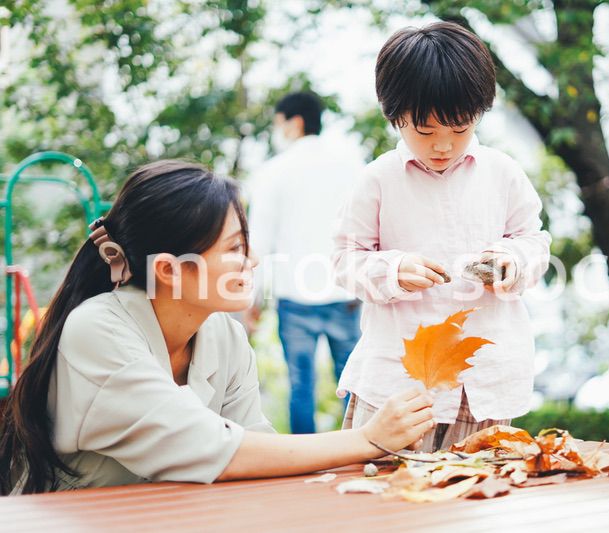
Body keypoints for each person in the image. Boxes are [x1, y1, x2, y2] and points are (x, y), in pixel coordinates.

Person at [0, 160, 433, 495]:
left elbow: (258, 453)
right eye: (235, 248)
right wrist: (368, 440)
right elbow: (221, 452)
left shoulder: (222, 335)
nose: (254, 260)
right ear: (169, 270)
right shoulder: (97, 331)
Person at [332, 22, 552, 452]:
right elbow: (344, 259)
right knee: (379, 495)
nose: (443, 146)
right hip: (399, 380)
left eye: (459, 128)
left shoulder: (502, 172)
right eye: (426, 131)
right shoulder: (377, 180)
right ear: (394, 115)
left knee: (476, 498)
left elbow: (533, 240)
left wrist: (512, 260)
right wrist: (393, 270)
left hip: (484, 379)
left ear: (479, 113)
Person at [247, 92, 364, 434]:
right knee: (353, 383)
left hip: (294, 297)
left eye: (278, 124)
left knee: (301, 386)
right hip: (345, 294)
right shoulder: (351, 165)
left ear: (294, 122)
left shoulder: (273, 172)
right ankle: (362, 455)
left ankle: (304, 467)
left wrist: (253, 300)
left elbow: (261, 242)